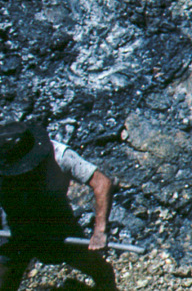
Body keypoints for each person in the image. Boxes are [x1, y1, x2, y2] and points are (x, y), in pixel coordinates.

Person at [0, 121, 116, 290]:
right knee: (5, 278)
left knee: (101, 271)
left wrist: (99, 232)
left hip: (55, 219)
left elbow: (102, 183)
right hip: (15, 225)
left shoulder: (59, 155)